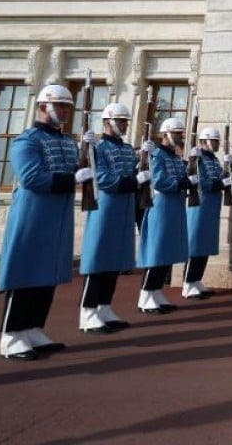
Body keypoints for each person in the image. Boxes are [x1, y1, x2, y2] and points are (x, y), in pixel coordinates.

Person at [0, 84, 90, 361]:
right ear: (42, 107)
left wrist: (89, 157)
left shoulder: (65, 141)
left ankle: (34, 327)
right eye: (59, 105)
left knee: (46, 274)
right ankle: (11, 335)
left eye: (66, 106)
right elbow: (32, 178)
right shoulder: (28, 140)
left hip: (57, 215)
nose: (63, 111)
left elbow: (76, 170)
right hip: (33, 215)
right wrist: (73, 178)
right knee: (24, 274)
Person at [79, 102, 141, 334]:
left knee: (115, 259)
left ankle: (104, 306)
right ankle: (87, 310)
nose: (124, 124)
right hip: (105, 207)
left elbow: (137, 171)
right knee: (99, 258)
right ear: (107, 122)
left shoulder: (126, 149)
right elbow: (103, 179)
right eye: (121, 121)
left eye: (126, 121)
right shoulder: (99, 147)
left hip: (123, 208)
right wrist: (134, 182)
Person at [138, 117, 191, 314]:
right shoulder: (157, 154)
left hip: (174, 205)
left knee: (167, 250)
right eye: (176, 133)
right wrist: (180, 184)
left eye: (180, 133)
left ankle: (156, 290)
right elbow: (159, 181)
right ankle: (145, 294)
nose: (179, 137)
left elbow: (179, 175)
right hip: (161, 204)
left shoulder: (175, 157)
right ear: (165, 134)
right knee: (157, 250)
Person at [183, 126, 232, 299]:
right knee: (195, 244)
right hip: (200, 205)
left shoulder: (213, 159)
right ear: (205, 141)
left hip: (212, 206)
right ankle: (187, 283)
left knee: (205, 245)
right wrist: (222, 184)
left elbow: (222, 177)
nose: (217, 144)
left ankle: (196, 280)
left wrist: (229, 165)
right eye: (215, 141)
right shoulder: (198, 159)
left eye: (218, 141)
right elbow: (205, 184)